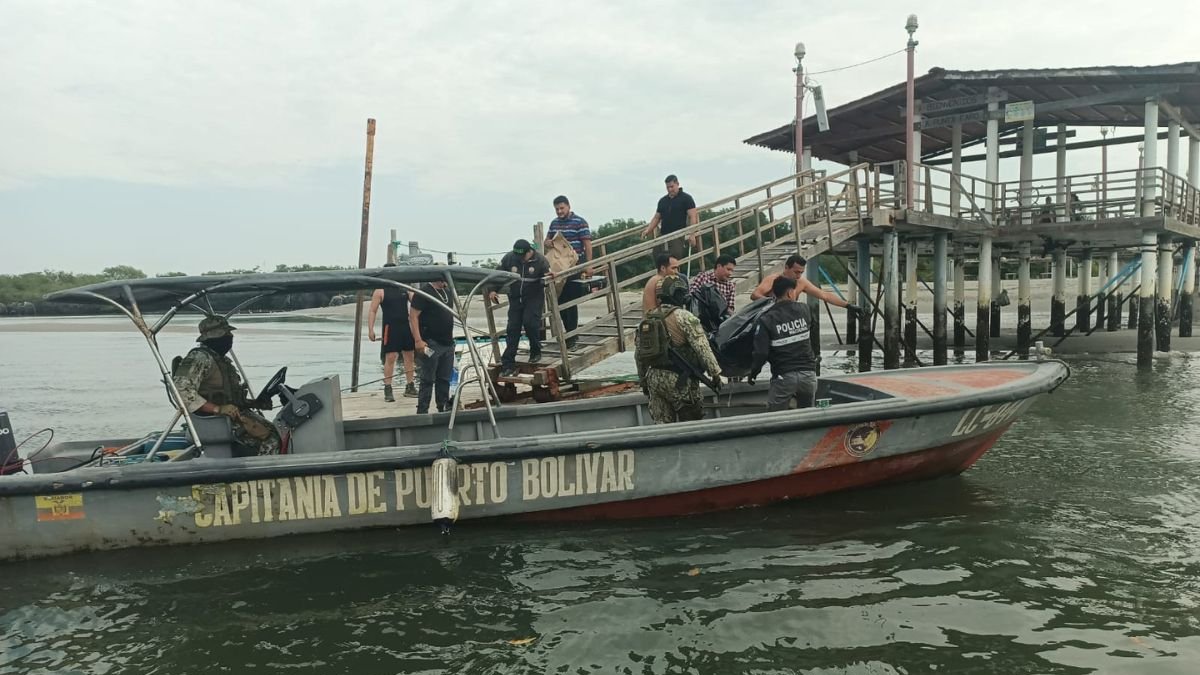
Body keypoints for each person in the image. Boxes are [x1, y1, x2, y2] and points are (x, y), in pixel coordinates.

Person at [172, 315, 281, 455]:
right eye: (226, 333)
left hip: (230, 416)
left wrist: (254, 403)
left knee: (278, 430)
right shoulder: (200, 358)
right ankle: (266, 472)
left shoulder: (220, 359)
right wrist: (217, 408)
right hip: (216, 420)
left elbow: (228, 396)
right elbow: (180, 391)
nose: (230, 336)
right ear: (215, 336)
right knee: (272, 439)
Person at [635, 275, 723, 424]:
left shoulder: (648, 319)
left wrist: (643, 382)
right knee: (692, 426)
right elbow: (702, 347)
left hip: (654, 380)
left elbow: (639, 356)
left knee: (662, 428)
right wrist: (715, 374)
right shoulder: (685, 317)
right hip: (680, 381)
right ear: (679, 295)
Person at [748, 276, 823, 412]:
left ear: (774, 294)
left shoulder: (766, 318)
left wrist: (754, 372)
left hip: (783, 377)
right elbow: (814, 337)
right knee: (807, 417)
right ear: (790, 293)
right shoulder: (805, 310)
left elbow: (761, 353)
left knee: (775, 419)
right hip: (808, 375)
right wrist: (816, 358)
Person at [489, 238, 551, 377]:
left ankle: (535, 350)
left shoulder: (540, 260)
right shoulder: (510, 258)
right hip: (516, 298)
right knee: (512, 329)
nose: (520, 259)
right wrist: (493, 290)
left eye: (523, 256)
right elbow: (497, 274)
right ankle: (508, 363)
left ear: (529, 252)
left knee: (530, 323)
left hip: (533, 297)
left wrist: (548, 277)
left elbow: (548, 276)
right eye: (518, 256)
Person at [546, 195, 592, 349]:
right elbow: (547, 241)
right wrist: (548, 242)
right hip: (559, 267)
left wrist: (589, 265)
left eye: (562, 208)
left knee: (569, 301)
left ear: (568, 207)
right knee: (559, 302)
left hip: (574, 265)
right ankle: (568, 334)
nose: (559, 211)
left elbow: (587, 243)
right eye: (557, 209)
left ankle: (572, 336)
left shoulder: (580, 221)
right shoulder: (554, 223)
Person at [367, 263, 417, 402]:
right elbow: (372, 310)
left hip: (405, 326)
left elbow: (416, 301)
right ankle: (388, 388)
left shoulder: (404, 288)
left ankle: (410, 385)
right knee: (391, 357)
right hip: (390, 327)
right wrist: (371, 329)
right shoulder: (380, 290)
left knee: (409, 356)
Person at [409, 279, 456, 414]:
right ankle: (423, 409)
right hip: (430, 342)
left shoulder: (447, 292)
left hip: (447, 342)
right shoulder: (423, 292)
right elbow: (413, 316)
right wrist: (418, 340)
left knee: (444, 377)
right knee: (428, 377)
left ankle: (443, 406)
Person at [750, 254, 858, 312]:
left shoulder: (801, 282)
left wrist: (848, 305)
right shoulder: (773, 279)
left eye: (801, 272)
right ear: (787, 267)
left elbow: (824, 295)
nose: (799, 275)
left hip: (788, 317)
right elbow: (755, 295)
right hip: (770, 316)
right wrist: (774, 302)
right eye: (796, 272)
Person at [641, 174, 699, 262]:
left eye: (672, 187)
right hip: (663, 234)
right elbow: (657, 217)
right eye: (667, 187)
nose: (669, 189)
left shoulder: (686, 198)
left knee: (673, 258)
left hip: (677, 234)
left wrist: (692, 234)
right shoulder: (663, 201)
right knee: (657, 256)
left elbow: (693, 216)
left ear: (677, 184)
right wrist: (648, 230)